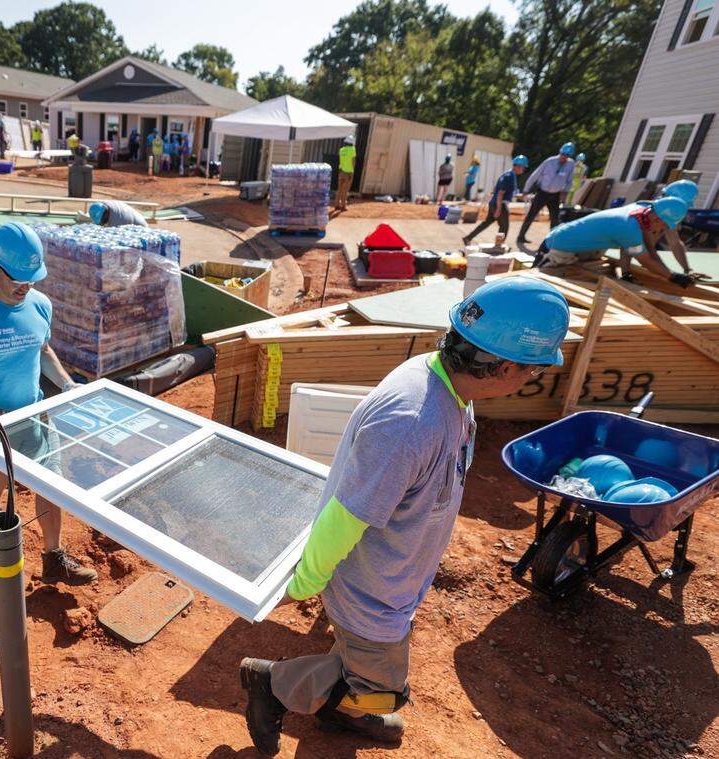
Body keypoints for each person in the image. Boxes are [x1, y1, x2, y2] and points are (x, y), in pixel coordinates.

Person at [240, 277, 570, 753]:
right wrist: (304, 584)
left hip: (390, 576)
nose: (531, 380)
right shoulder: (413, 421)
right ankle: (273, 684)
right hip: (370, 592)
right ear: (502, 367)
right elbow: (346, 517)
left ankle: (347, 703)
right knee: (383, 691)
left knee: (365, 664)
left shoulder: (444, 384)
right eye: (535, 370)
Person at [0, 222, 98, 586]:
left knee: (50, 485)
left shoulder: (40, 305)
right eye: (17, 279)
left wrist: (67, 384)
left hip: (34, 414)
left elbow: (43, 350)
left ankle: (53, 557)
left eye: (31, 279)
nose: (24, 287)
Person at [534, 197, 693, 287]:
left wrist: (671, 274)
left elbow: (640, 250)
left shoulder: (642, 209)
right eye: (664, 226)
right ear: (658, 219)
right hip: (557, 247)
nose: (662, 230)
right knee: (537, 284)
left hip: (577, 249)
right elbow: (645, 260)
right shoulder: (629, 227)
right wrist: (673, 277)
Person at [517, 141, 577, 245]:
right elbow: (535, 175)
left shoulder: (571, 164)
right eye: (563, 154)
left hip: (555, 195)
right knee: (531, 215)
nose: (564, 157)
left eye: (567, 155)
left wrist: (565, 193)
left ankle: (553, 240)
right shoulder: (549, 161)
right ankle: (521, 237)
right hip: (542, 193)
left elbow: (570, 180)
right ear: (560, 152)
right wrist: (526, 190)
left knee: (555, 219)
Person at [462, 154, 529, 246]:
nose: (523, 170)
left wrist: (520, 196)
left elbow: (499, 191)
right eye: (523, 168)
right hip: (500, 204)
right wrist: (499, 208)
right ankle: (498, 246)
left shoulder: (508, 175)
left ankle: (468, 238)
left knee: (487, 223)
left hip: (494, 203)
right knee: (504, 227)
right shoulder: (510, 176)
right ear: (518, 166)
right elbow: (501, 193)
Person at [335, 135, 357, 212]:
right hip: (348, 172)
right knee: (345, 190)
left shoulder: (341, 150)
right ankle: (343, 205)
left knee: (339, 189)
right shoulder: (352, 150)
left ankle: (337, 204)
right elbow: (353, 161)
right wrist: (352, 170)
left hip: (341, 171)